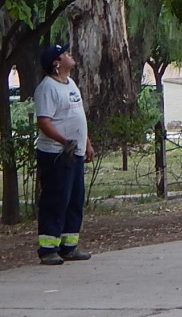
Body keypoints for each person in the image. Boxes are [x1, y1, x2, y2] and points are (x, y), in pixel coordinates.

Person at [34, 43, 94, 265]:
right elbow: (44, 121)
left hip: (75, 153)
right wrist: (63, 141)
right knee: (56, 199)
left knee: (74, 199)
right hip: (57, 154)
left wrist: (85, 142)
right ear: (56, 63)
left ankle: (69, 246)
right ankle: (48, 248)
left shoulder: (71, 84)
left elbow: (78, 116)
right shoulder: (47, 88)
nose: (71, 55)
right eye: (65, 54)